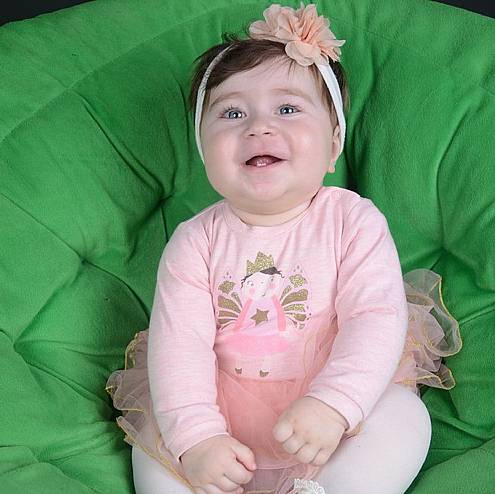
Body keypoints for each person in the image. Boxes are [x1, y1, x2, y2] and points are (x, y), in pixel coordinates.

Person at [105, 3, 462, 493]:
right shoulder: (194, 241)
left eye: (287, 109)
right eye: (232, 113)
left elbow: (374, 317)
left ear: (333, 144)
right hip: (220, 420)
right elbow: (179, 345)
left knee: (402, 416)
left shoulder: (352, 221)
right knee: (156, 448)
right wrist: (197, 439)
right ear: (204, 150)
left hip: (332, 413)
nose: (258, 127)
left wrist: (334, 404)